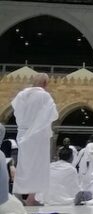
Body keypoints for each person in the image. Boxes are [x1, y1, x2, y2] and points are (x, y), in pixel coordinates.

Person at [11, 72, 58, 206]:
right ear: (45, 84)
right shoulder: (44, 96)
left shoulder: (21, 95)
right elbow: (53, 114)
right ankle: (32, 198)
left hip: (22, 133)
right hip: (38, 136)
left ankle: (17, 195)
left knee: (22, 165)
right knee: (38, 166)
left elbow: (16, 112)